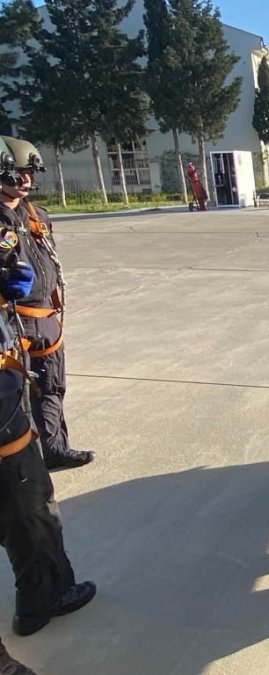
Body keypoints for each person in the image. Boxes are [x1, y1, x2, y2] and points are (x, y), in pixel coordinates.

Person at [0, 213, 96, 637]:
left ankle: (54, 446)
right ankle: (41, 601)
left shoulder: (27, 218)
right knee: (29, 506)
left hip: (25, 340)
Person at [0, 136, 94, 471]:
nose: (27, 180)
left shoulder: (36, 214)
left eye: (30, 173)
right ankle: (24, 463)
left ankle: (55, 449)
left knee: (52, 386)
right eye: (18, 174)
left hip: (46, 318)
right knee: (15, 395)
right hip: (11, 322)